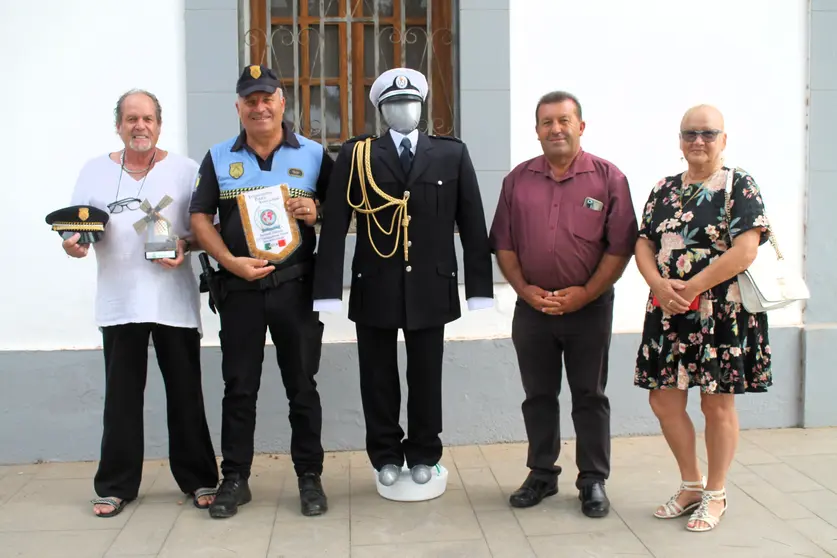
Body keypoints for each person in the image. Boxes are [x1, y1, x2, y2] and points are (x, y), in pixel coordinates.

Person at [312, 67, 494, 490]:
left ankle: (425, 452)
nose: (403, 110)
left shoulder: (451, 154)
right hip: (375, 280)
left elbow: (472, 220)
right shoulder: (358, 156)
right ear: (381, 111)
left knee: (426, 376)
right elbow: (336, 222)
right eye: (394, 105)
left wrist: (480, 289)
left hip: (431, 283)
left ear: (423, 106)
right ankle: (386, 455)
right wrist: (327, 292)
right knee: (377, 377)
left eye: (410, 103)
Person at [59, 89, 219, 518]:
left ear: (159, 124)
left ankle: (200, 478)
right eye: (131, 119)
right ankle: (114, 485)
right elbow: (78, 231)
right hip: (120, 302)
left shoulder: (185, 171)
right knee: (122, 399)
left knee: (185, 395)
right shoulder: (94, 172)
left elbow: (205, 230)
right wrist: (73, 246)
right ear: (119, 125)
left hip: (173, 302)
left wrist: (184, 245)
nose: (140, 126)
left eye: (147, 118)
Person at [189, 64, 333, 519]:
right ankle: (235, 478)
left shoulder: (312, 154)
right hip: (239, 291)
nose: (260, 106)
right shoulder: (217, 157)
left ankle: (310, 478)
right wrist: (229, 262)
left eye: (267, 97)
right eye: (250, 100)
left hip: (295, 289)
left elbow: (341, 210)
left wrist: (317, 209)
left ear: (282, 101)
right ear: (238, 107)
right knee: (239, 388)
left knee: (302, 388)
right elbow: (198, 219)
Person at [489, 91, 637, 517]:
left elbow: (620, 247)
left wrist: (585, 293)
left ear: (580, 126)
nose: (556, 128)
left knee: (589, 395)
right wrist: (523, 289)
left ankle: (592, 480)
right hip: (532, 308)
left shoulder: (609, 179)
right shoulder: (517, 180)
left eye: (564, 120)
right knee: (538, 395)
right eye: (547, 122)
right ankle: (541, 473)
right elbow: (504, 243)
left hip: (589, 309)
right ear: (536, 131)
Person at [633, 104, 771, 532]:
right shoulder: (663, 189)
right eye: (690, 133)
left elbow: (746, 249)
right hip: (668, 311)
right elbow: (643, 242)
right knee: (663, 400)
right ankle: (691, 483)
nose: (698, 141)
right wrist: (658, 284)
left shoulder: (739, 184)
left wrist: (691, 288)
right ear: (679, 141)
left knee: (716, 403)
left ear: (723, 140)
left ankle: (716, 492)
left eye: (708, 134)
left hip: (719, 312)